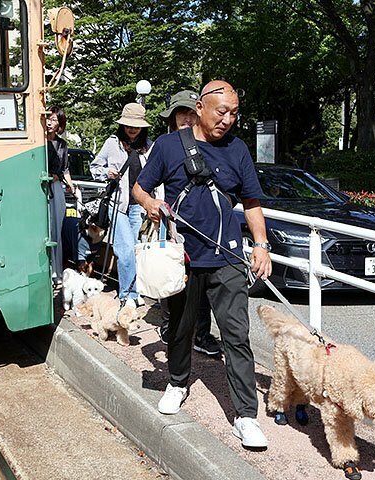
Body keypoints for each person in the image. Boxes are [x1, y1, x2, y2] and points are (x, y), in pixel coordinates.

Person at [133, 80, 272, 449]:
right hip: (183, 256)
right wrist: (149, 204)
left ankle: (245, 416)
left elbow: (252, 201)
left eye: (234, 113)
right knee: (179, 328)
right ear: (199, 107)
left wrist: (261, 245)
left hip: (227, 256)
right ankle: (178, 383)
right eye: (221, 112)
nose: (227, 120)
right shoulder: (167, 146)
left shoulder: (238, 149)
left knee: (236, 335)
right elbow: (139, 187)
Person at [157, 90, 221, 357]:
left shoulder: (210, 145)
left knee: (202, 284)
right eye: (181, 114)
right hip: (169, 223)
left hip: (203, 229)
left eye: (191, 114)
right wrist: (153, 206)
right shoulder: (163, 145)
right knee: (172, 279)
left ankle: (202, 334)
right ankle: (170, 327)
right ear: (172, 118)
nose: (187, 119)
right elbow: (149, 186)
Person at [90, 103, 152, 307]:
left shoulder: (149, 147)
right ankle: (128, 294)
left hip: (139, 205)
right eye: (128, 125)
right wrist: (106, 173)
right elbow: (95, 166)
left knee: (134, 250)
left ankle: (133, 289)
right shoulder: (112, 143)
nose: (132, 129)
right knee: (125, 250)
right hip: (118, 204)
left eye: (136, 125)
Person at [45, 106, 76, 286]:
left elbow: (64, 169)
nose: (50, 122)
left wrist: (70, 185)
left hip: (55, 188)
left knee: (56, 229)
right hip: (40, 187)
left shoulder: (62, 144)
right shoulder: (37, 141)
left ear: (60, 125)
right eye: (48, 117)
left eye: (55, 119)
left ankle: (56, 272)